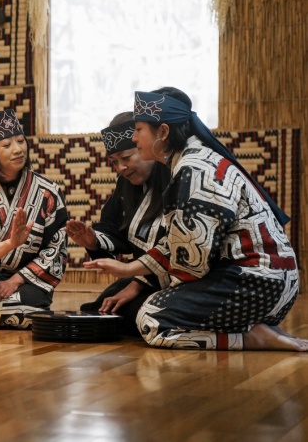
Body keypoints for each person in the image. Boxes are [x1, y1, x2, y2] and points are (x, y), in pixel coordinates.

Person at [84, 87, 306, 351]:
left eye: (139, 129)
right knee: (115, 306)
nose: (133, 136)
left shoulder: (195, 169)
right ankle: (250, 328)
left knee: (152, 318)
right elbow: (183, 243)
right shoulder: (189, 162)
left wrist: (138, 276)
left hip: (257, 284)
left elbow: (192, 264)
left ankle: (252, 337)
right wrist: (126, 268)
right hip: (258, 280)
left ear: (163, 132)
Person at [0, 109, 69, 329]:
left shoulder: (48, 192)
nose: (18, 149)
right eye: (7, 145)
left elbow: (56, 249)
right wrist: (11, 243)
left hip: (28, 279)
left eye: (20, 141)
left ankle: (5, 310)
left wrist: (15, 281)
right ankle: (26, 314)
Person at [66, 111, 170, 336]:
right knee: (100, 308)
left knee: (133, 313)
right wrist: (93, 240)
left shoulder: (175, 179)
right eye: (115, 162)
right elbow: (115, 227)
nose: (121, 167)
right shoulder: (126, 184)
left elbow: (175, 245)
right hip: (145, 276)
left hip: (178, 277)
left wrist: (137, 284)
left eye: (127, 158)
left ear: (146, 147)